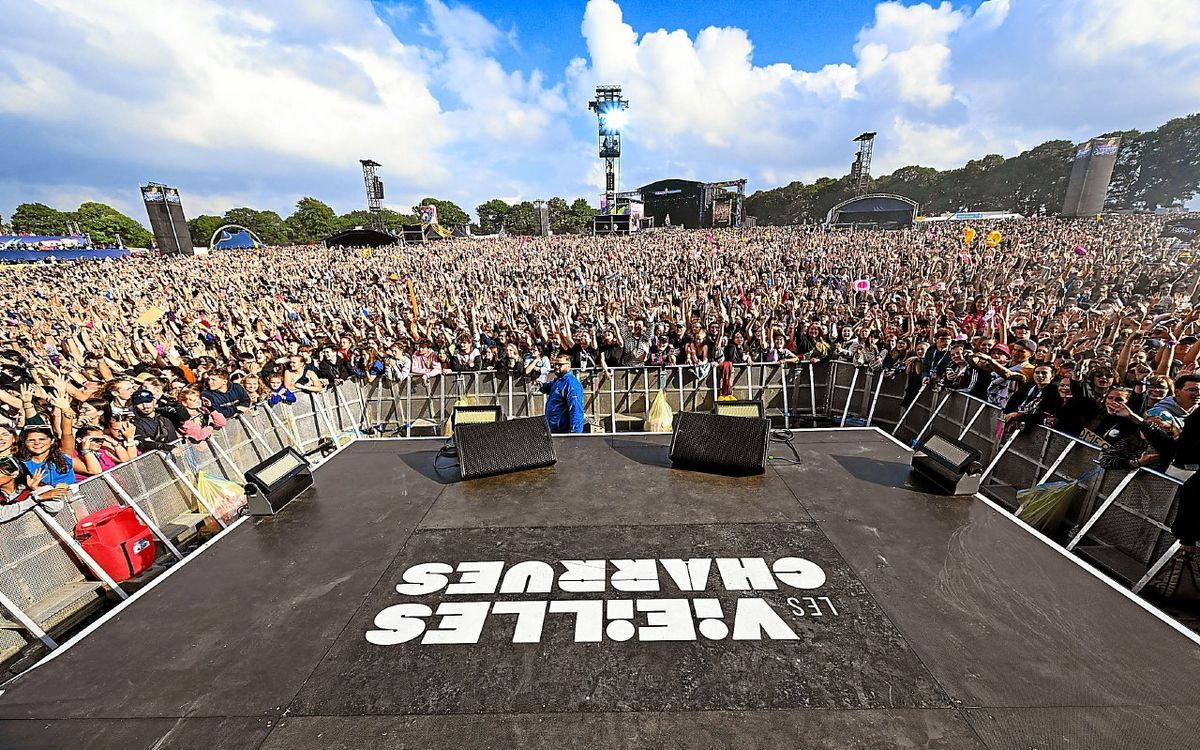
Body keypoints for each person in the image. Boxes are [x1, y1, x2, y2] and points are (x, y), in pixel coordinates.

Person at [540, 354, 585, 434]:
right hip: (552, 430)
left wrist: (575, 435)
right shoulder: (558, 381)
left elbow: (576, 410)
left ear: (568, 366)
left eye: (560, 365)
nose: (556, 367)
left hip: (563, 432)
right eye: (555, 364)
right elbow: (546, 387)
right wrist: (538, 384)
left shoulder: (571, 384)